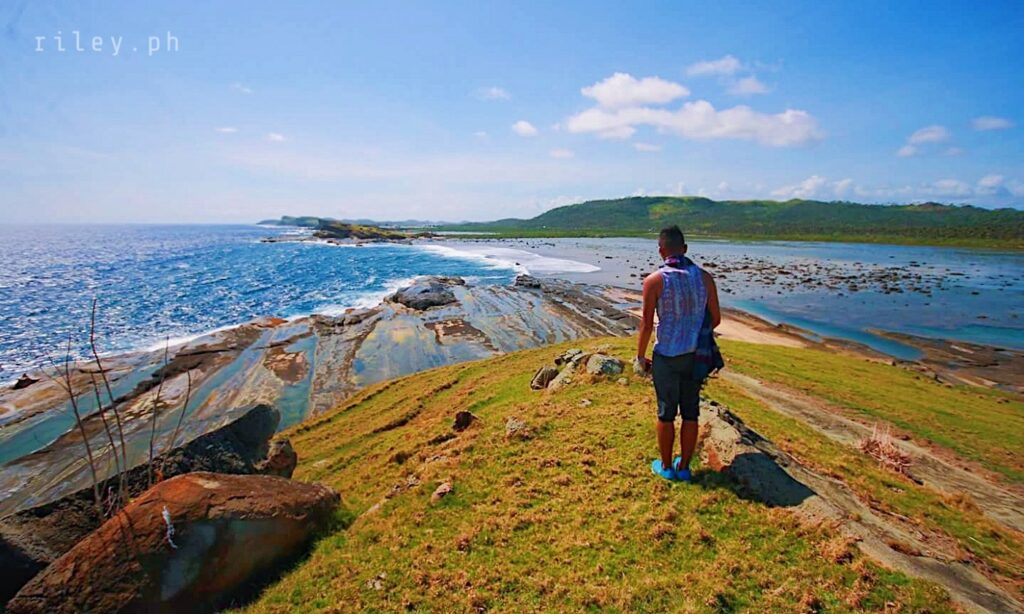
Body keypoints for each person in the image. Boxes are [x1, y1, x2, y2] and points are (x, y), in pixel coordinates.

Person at [636, 225, 721, 482]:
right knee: (691, 412)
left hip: (667, 357)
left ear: (661, 250)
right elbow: (715, 319)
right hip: (695, 355)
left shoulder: (654, 281)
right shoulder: (704, 278)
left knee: (666, 413)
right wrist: (692, 329)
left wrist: (640, 356)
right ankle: (684, 467)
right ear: (684, 249)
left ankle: (665, 466)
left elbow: (647, 324)